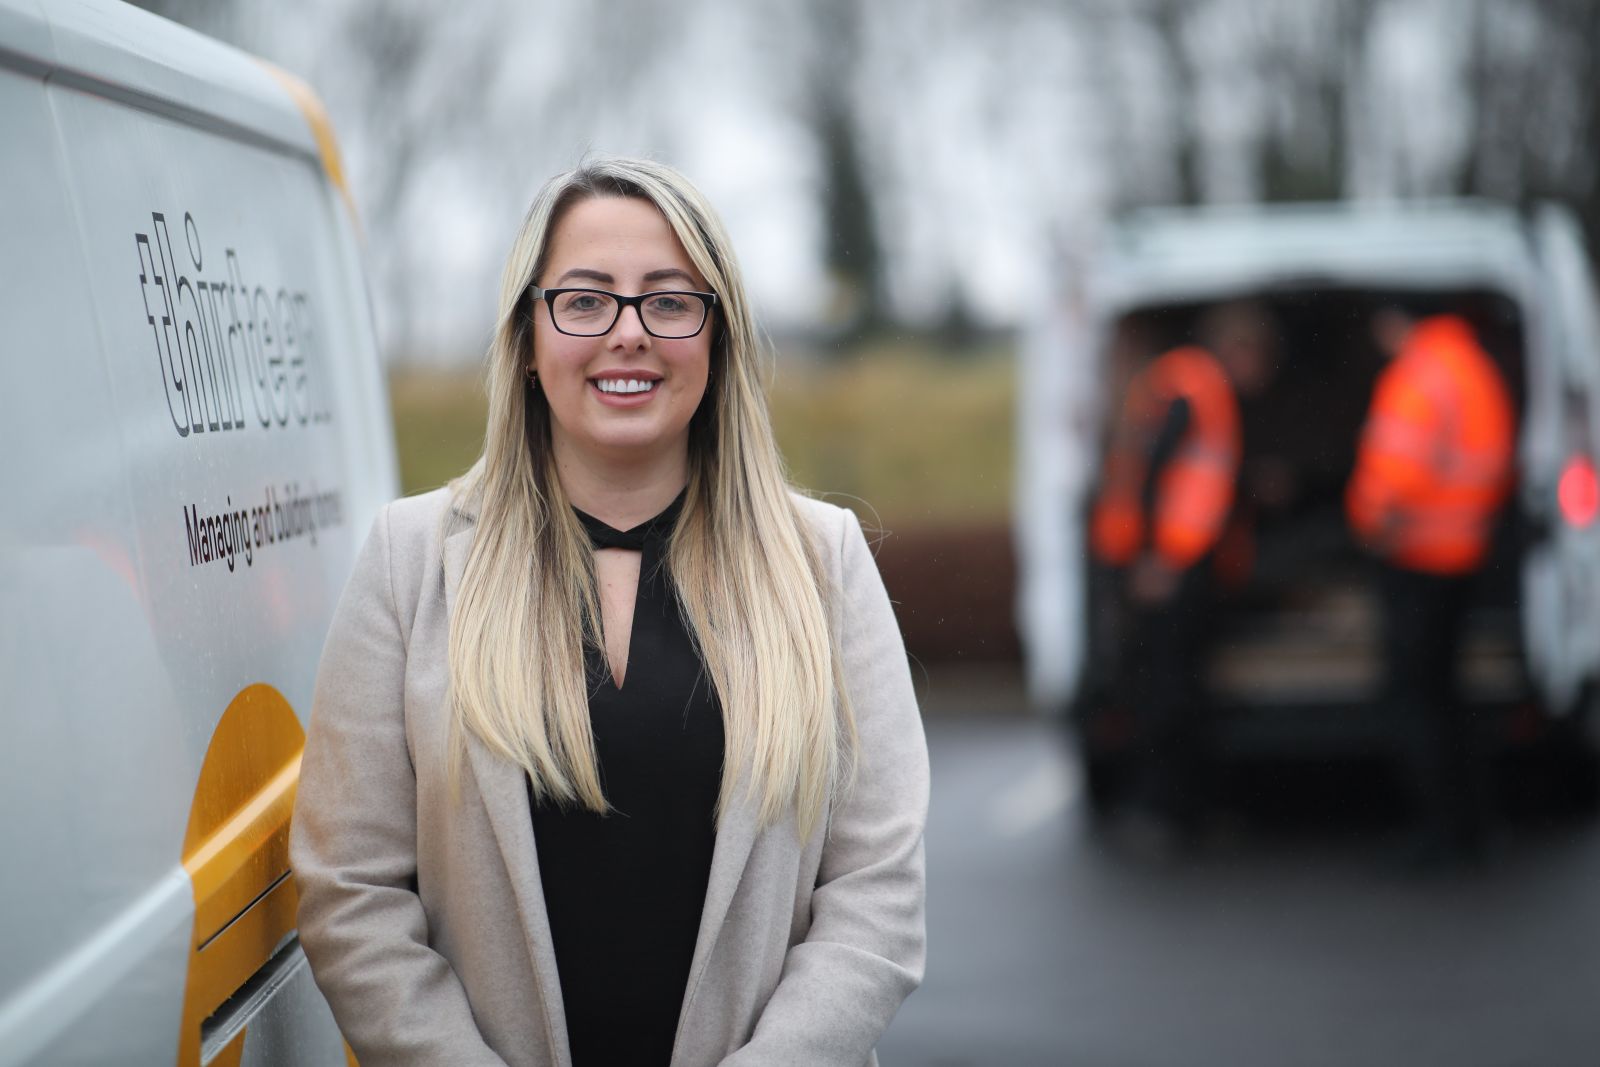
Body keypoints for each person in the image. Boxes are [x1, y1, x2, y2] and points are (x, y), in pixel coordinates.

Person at [289, 158, 929, 1066]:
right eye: (586, 300)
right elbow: (349, 888)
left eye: (669, 302)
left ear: (719, 336)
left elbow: (879, 891)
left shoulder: (822, 563)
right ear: (526, 336)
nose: (628, 334)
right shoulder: (409, 561)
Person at [1088, 303, 1278, 843]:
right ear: (1240, 349)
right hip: (1164, 566)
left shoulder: (1203, 389)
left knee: (1179, 687)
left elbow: (1201, 479)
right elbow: (1152, 473)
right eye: (1261, 360)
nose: (1261, 377)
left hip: (1178, 562)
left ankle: (1182, 808)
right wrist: (1152, 558)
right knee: (1165, 690)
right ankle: (1159, 808)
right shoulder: (1194, 386)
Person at [1347, 304, 1515, 869]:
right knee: (1447, 695)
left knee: (1416, 701)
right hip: (1464, 555)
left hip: (1416, 557)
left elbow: (1397, 470)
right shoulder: (1473, 366)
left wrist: (1368, 529)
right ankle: (1469, 826)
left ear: (1394, 320)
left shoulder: (1418, 374)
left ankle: (1437, 830)